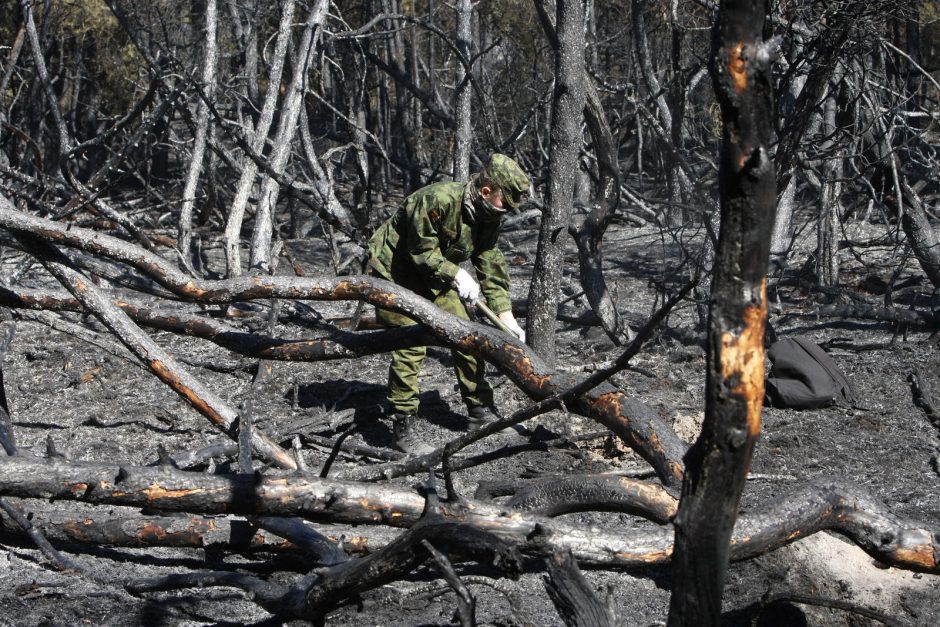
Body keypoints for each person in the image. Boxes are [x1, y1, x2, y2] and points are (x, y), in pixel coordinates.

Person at [368, 153, 529, 453]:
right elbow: (420, 253)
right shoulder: (437, 200)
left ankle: (481, 411)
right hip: (395, 274)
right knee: (410, 344)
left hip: (435, 278)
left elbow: (491, 262)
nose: (505, 210)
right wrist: (457, 275)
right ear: (485, 191)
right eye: (503, 202)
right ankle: (402, 424)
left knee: (466, 336)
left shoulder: (487, 217)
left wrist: (505, 315)